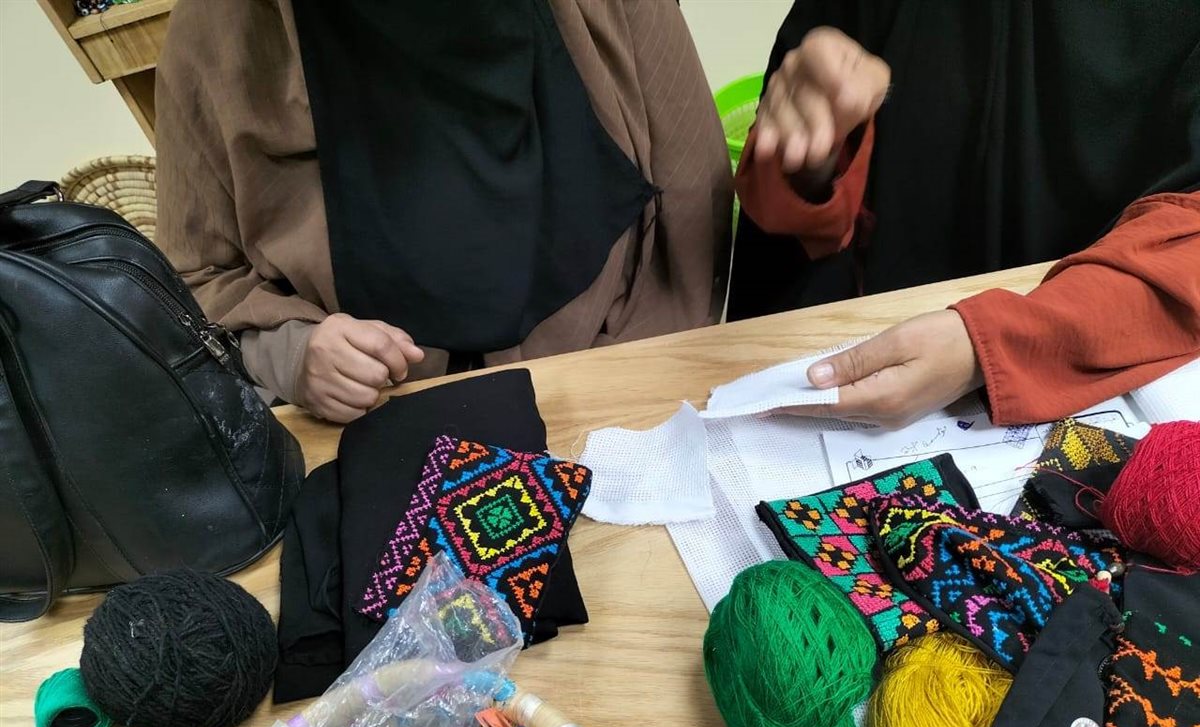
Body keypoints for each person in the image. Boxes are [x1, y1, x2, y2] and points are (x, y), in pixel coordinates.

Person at [156, 0, 732, 423]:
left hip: (624, 368)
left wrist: (639, 384)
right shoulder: (222, 31)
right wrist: (294, 353)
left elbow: (691, 201)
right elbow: (192, 283)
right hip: (374, 420)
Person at [730, 5, 1200, 427]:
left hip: (1095, 380)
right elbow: (778, 212)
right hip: (854, 359)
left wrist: (992, 345)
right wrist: (812, 148)